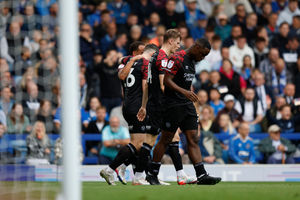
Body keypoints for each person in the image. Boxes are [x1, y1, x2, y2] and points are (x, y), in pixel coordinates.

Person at [146, 38, 221, 185]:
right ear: (197, 47)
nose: (203, 57)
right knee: (166, 139)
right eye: (203, 54)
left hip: (187, 105)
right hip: (172, 104)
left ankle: (201, 175)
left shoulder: (193, 61)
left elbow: (186, 82)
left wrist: (189, 95)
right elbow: (167, 80)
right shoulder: (177, 58)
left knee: (193, 138)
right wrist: (184, 92)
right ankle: (152, 174)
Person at [138, 29, 196, 185]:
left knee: (172, 137)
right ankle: (140, 175)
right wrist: (182, 94)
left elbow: (147, 86)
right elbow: (164, 85)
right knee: (150, 141)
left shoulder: (154, 57)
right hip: (160, 105)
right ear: (171, 41)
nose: (178, 46)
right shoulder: (163, 58)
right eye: (177, 43)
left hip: (153, 103)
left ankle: (179, 174)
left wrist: (143, 106)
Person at [100, 44, 159, 186]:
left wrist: (131, 59)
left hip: (127, 106)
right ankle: (111, 169)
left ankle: (124, 168)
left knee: (138, 143)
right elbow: (145, 86)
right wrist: (144, 106)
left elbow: (121, 61)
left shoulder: (125, 61)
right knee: (138, 144)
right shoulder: (144, 64)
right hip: (138, 106)